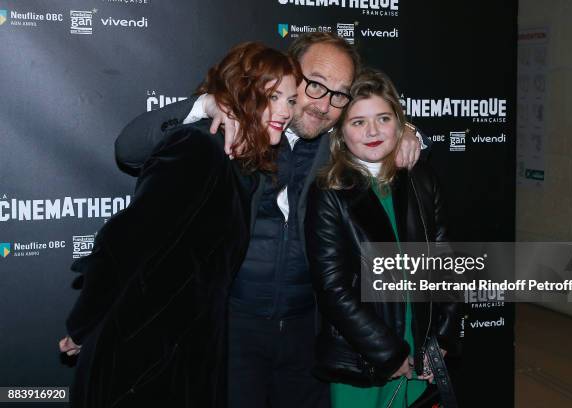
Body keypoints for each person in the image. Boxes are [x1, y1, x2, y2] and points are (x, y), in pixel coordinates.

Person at [112, 32, 430, 408]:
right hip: (230, 331)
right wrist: (205, 104)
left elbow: (377, 120)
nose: (323, 104)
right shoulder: (232, 127)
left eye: (339, 94)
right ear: (288, 74)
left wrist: (409, 133)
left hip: (305, 335)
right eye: (315, 85)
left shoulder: (337, 144)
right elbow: (128, 150)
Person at [58, 42, 302, 408]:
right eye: (274, 96)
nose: (286, 110)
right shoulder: (199, 147)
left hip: (184, 355)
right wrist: (83, 324)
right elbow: (124, 244)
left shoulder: (241, 168)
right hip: (141, 359)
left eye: (291, 100)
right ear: (241, 93)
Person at [304, 69, 461, 408]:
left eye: (383, 118)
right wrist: (389, 354)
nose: (373, 131)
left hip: (422, 347)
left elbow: (445, 259)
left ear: (400, 123)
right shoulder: (330, 191)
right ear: (340, 132)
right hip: (362, 354)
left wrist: (442, 337)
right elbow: (333, 288)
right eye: (358, 122)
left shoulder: (421, 178)